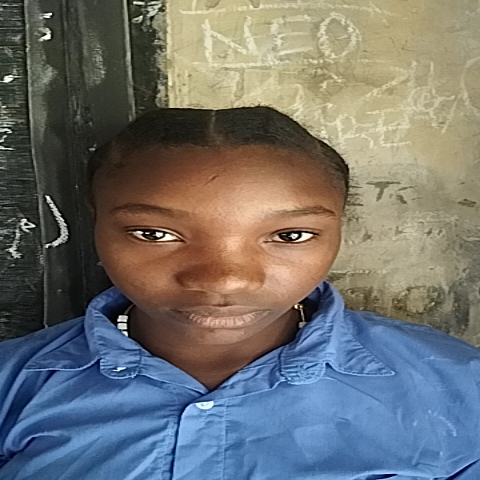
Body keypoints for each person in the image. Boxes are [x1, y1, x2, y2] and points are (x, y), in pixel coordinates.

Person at [0, 106, 479, 480]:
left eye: (289, 236)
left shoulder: (457, 387)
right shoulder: (14, 386)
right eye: (155, 234)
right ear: (96, 221)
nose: (225, 279)